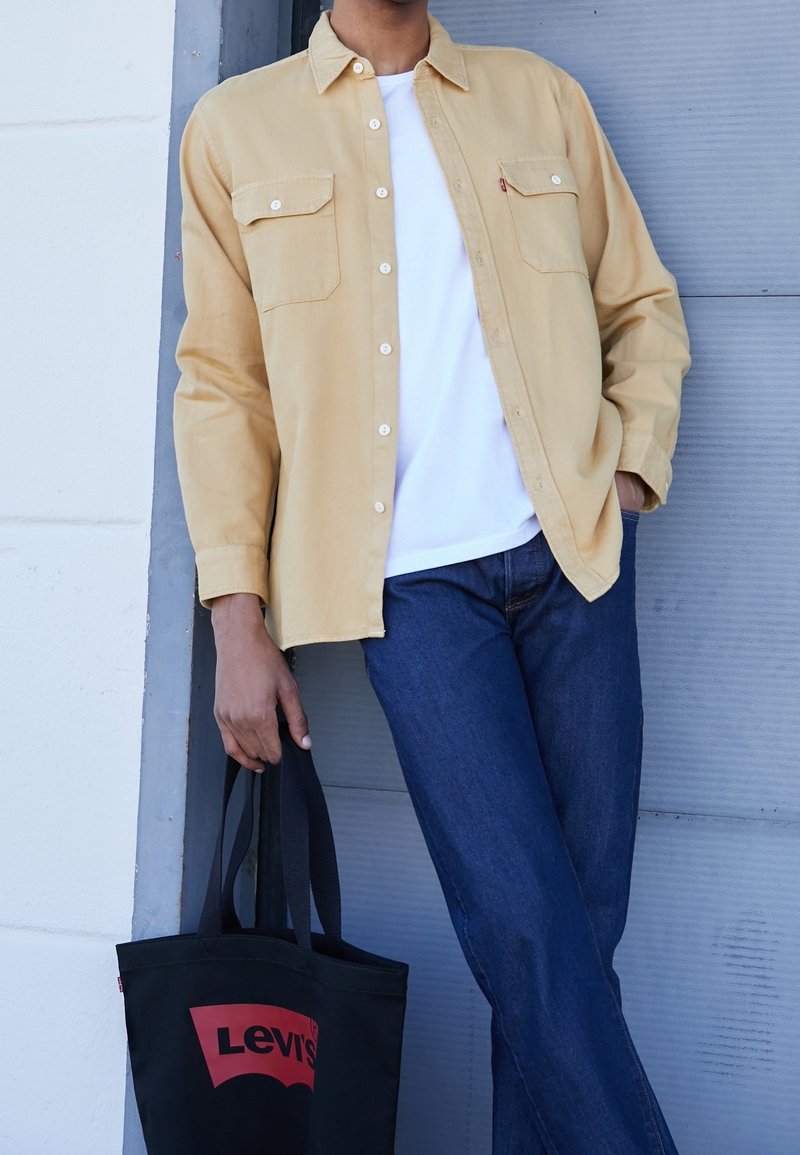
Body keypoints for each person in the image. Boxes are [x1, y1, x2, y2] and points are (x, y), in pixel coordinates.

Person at [172, 0, 692, 1150]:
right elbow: (223, 387)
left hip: (574, 568)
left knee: (567, 945)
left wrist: (625, 478)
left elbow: (641, 306)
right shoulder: (232, 129)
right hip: (411, 593)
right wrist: (237, 618)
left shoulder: (536, 97)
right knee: (527, 936)